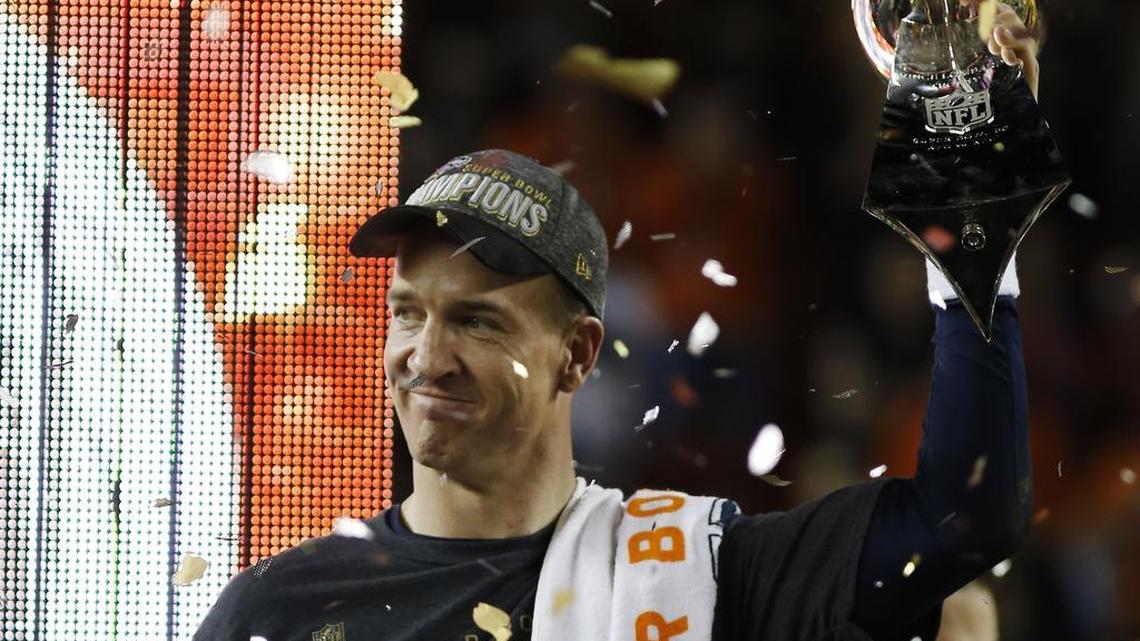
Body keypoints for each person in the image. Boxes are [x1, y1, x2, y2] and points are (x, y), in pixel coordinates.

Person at [193, 9, 1042, 641]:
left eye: (478, 321)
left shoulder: (702, 574)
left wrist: (970, 218)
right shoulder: (278, 611)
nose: (426, 354)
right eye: (406, 313)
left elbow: (969, 515)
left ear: (576, 354)